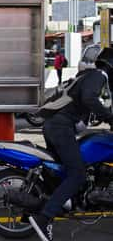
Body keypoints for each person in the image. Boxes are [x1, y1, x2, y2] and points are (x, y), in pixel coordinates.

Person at [29, 49, 113, 241]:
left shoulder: (85, 76)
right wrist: (110, 117)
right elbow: (89, 98)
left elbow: (83, 103)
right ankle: (44, 219)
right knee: (77, 174)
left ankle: (50, 206)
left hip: (53, 126)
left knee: (62, 172)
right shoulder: (99, 75)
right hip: (61, 128)